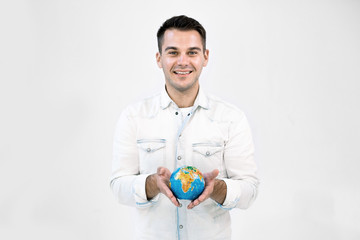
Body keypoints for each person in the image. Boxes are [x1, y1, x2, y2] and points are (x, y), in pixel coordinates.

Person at [110, 15, 259, 240]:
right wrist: (152, 184)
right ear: (159, 58)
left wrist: (217, 188)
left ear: (205, 57)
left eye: (192, 52)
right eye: (173, 52)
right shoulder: (134, 117)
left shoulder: (231, 118)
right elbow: (119, 186)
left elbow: (249, 190)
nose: (183, 61)